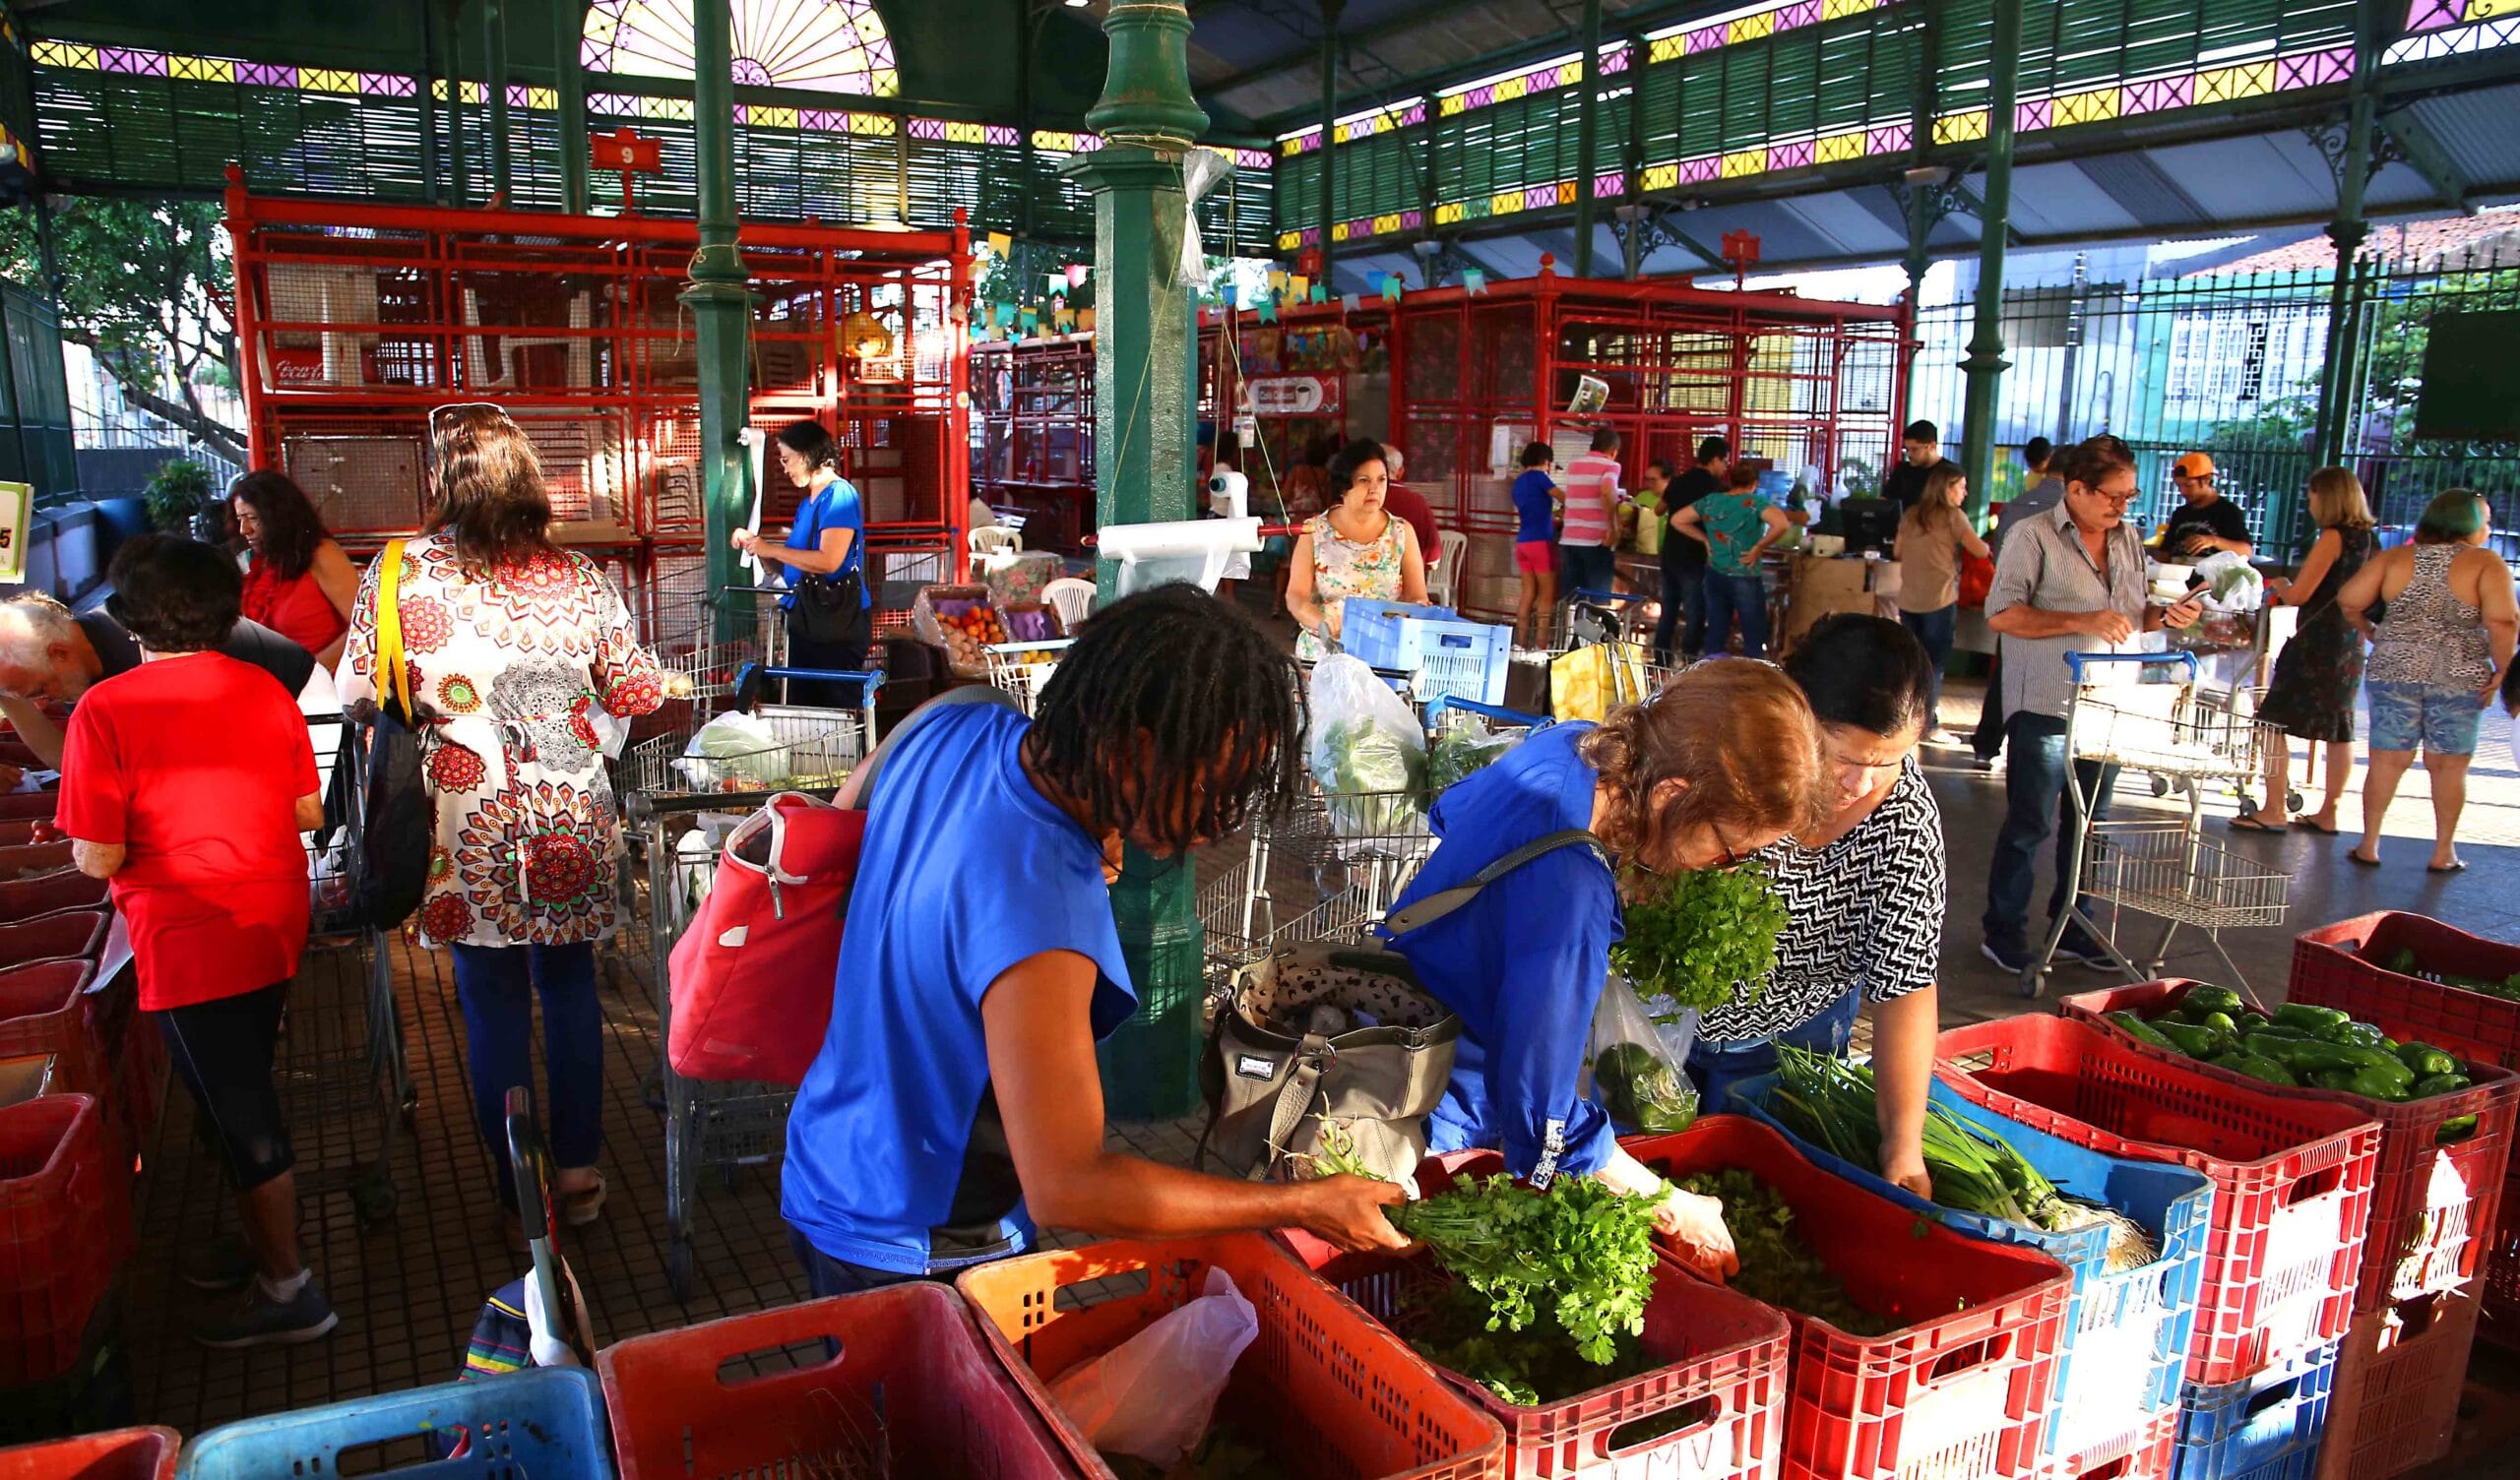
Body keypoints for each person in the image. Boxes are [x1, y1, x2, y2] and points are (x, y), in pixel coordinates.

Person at [781, 586, 1408, 1291]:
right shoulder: (1044, 913)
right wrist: (1303, 1203)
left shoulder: (955, 721)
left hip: (826, 1160)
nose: (1216, 823)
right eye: (1212, 787)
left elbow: (842, 827)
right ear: (1135, 749)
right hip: (921, 1242)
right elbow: (1071, 1186)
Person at [1382, 660, 1830, 1279]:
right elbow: (1542, 1126)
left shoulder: (1574, 747)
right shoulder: (1571, 897)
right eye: (1732, 851)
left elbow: (1453, 813)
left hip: (1398, 1006)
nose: (1726, 869)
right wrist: (1673, 1207)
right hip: (1436, 1103)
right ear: (1672, 794)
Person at [340, 403, 671, 1225]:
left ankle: (516, 1182)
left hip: (462, 818)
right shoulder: (579, 576)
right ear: (530, 480)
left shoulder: (396, 575)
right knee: (567, 991)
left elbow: (358, 696)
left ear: (439, 482)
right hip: (570, 816)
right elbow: (636, 689)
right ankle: (580, 1177)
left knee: (487, 998)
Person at [58, 535, 334, 1347]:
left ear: (129, 619)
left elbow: (98, 855)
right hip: (274, 914)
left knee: (243, 1112)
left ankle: (292, 1288)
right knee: (237, 1087)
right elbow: (305, 813)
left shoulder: (104, 711)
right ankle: (261, 1242)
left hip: (189, 934)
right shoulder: (261, 687)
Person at [1687, 616, 1946, 1198]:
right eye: (1842, 756)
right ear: (1793, 711)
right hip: (1653, 1021)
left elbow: (1904, 983)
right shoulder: (1723, 750)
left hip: (1791, 1042)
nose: (1860, 783)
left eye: (1888, 761)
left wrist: (1902, 1144)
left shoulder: (1904, 821)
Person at [1980, 437, 2204, 973]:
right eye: (2113, 496)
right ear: (2076, 488)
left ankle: (2077, 923)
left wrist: (2165, 617)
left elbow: (2130, 613)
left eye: (2130, 496)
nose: (2123, 507)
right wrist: (2083, 621)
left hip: (2110, 704)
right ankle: (2003, 930)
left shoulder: (2128, 540)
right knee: (2031, 821)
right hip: (2047, 701)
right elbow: (2002, 615)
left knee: (2093, 823)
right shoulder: (2031, 536)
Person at [2340, 489, 2517, 874]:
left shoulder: (2397, 557)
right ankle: (2443, 852)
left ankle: (2369, 844)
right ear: (2467, 523)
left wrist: (2371, 630)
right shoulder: (2486, 563)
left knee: (2387, 759)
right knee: (2449, 766)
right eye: (2485, 520)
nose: (2489, 528)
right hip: (2459, 674)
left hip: (2393, 670)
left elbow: (2350, 599)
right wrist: (2504, 670)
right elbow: (2503, 620)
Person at [0, 591, 315, 770]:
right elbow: (79, 764)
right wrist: (10, 699)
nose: (46, 699)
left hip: (302, 707)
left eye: (41, 689)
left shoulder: (141, 640)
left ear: (59, 654)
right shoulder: (80, 668)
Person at [2231, 467, 2377, 836]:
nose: (2309, 502)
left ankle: (2274, 807)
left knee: (2271, 720)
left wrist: (2280, 583)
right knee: (2339, 728)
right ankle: (2329, 812)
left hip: (2317, 642)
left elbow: (2299, 595)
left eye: (2312, 495)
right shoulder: (2371, 541)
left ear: (2326, 497)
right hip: (2351, 641)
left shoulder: (2332, 537)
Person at [731, 420, 870, 708]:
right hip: (807, 618)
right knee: (803, 708)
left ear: (806, 455)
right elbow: (795, 565)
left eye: (786, 459)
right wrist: (758, 548)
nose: (785, 468)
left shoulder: (839, 495)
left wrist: (771, 547)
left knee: (834, 710)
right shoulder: (808, 503)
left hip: (834, 623)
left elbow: (829, 561)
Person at [1287, 438, 1428, 661]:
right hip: (1325, 652)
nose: (1374, 489)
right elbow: (1296, 596)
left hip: (1383, 653)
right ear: (1344, 486)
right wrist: (1319, 622)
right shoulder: (1315, 531)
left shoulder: (1401, 532)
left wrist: (1418, 608)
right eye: (1364, 480)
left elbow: (1416, 596)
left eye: (1381, 480)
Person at [1975, 440, 2067, 767]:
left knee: (2006, 677)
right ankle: (2033, 754)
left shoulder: (2014, 507)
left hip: (2014, 607)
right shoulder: (2072, 514)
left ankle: (1986, 745)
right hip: (2057, 613)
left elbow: (1998, 560)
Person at [1894, 462, 1989, 744]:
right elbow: (1980, 550)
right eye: (1960, 486)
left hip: (1909, 598)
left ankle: (1905, 721)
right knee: (1934, 665)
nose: (1965, 492)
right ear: (1946, 489)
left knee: (1912, 664)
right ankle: (1929, 725)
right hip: (1939, 599)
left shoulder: (1912, 514)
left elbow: (1898, 550)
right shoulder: (1953, 517)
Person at [229, 471, 359, 668]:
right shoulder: (263, 565)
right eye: (240, 519)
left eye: (252, 518)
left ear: (280, 515)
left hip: (324, 687)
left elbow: (366, 625)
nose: (244, 529)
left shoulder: (322, 554)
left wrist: (311, 671)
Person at [1672, 462, 1791, 660]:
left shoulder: (1711, 501)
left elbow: (1677, 519)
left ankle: (1712, 677)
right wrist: (1759, 546)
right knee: (1753, 636)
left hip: (1714, 574)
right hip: (1745, 574)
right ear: (1755, 483)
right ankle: (1755, 682)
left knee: (1716, 633)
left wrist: (1705, 539)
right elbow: (1782, 524)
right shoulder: (1754, 503)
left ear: (1730, 480)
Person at [1653, 438, 1725, 666]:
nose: (1725, 468)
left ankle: (1660, 661)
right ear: (1715, 459)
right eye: (1725, 462)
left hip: (1670, 552)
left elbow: (1658, 509)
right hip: (1695, 556)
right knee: (1695, 613)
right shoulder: (1714, 487)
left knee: (1669, 610)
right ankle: (1689, 661)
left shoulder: (1678, 480)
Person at [1558, 427, 1626, 597]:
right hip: (1596, 540)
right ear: (1613, 451)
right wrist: (1613, 527)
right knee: (1598, 599)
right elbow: (1606, 490)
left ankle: (1571, 624)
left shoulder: (1574, 465)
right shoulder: (1612, 466)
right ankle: (1593, 625)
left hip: (1570, 539)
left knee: (1573, 598)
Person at [2157, 452, 2252, 562]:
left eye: (2188, 485)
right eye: (2179, 486)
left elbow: (2246, 551)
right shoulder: (2180, 513)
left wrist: (2214, 541)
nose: (2182, 491)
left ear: (2206, 480)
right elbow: (2165, 553)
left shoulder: (2228, 512)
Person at [1510, 442, 1559, 645]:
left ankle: (1520, 643)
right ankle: (1541, 644)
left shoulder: (1518, 482)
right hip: (1541, 541)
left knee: (1527, 593)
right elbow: (1564, 497)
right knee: (1547, 595)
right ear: (1545, 461)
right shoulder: (1541, 478)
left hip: (1523, 542)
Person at [1379, 442, 1441, 579]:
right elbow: (1433, 559)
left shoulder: (1357, 501)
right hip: (1409, 584)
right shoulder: (1417, 502)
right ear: (1400, 472)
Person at [1881, 420, 1951, 512]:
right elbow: (1884, 501)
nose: (1909, 454)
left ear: (1932, 446)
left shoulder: (1949, 472)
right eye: (1906, 449)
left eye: (1914, 449)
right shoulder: (1902, 470)